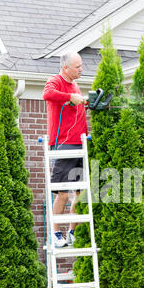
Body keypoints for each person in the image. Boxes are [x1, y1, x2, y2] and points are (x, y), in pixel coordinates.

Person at [43, 51, 87, 247]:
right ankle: (55, 234)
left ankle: (71, 232)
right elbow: (47, 94)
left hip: (79, 143)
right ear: (65, 68)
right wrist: (70, 96)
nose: (81, 69)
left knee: (78, 194)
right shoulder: (55, 81)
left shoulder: (75, 85)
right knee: (62, 193)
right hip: (64, 143)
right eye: (77, 66)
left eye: (81, 65)